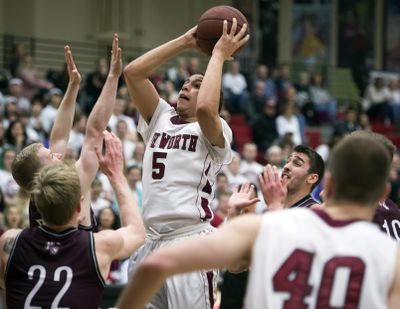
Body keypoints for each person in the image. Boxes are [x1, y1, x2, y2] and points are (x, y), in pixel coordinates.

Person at [118, 133, 400, 309]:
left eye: (297, 163)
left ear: (329, 185)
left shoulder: (272, 224)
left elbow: (156, 264)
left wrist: (266, 210)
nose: (287, 166)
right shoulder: (391, 258)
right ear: (384, 193)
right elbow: (236, 266)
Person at [123, 18, 249, 308]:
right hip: (150, 243)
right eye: (186, 83)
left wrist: (218, 54)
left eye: (197, 84)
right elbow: (133, 73)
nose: (186, 87)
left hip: (189, 241)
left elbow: (206, 108)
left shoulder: (216, 129)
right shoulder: (160, 118)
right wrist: (185, 41)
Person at [1, 131, 145, 308]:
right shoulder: (99, 246)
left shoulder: (9, 242)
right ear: (79, 209)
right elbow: (138, 232)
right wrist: (116, 175)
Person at [12, 34, 122, 229]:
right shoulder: (70, 188)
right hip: (79, 258)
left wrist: (73, 85)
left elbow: (60, 137)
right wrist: (113, 77)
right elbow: (95, 132)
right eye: (50, 156)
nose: (55, 153)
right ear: (42, 173)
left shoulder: (38, 198)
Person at [259, 144, 324, 211]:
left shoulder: (316, 211)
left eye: (297, 163)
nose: (286, 166)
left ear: (312, 178)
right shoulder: (272, 204)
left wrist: (273, 207)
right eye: (287, 162)